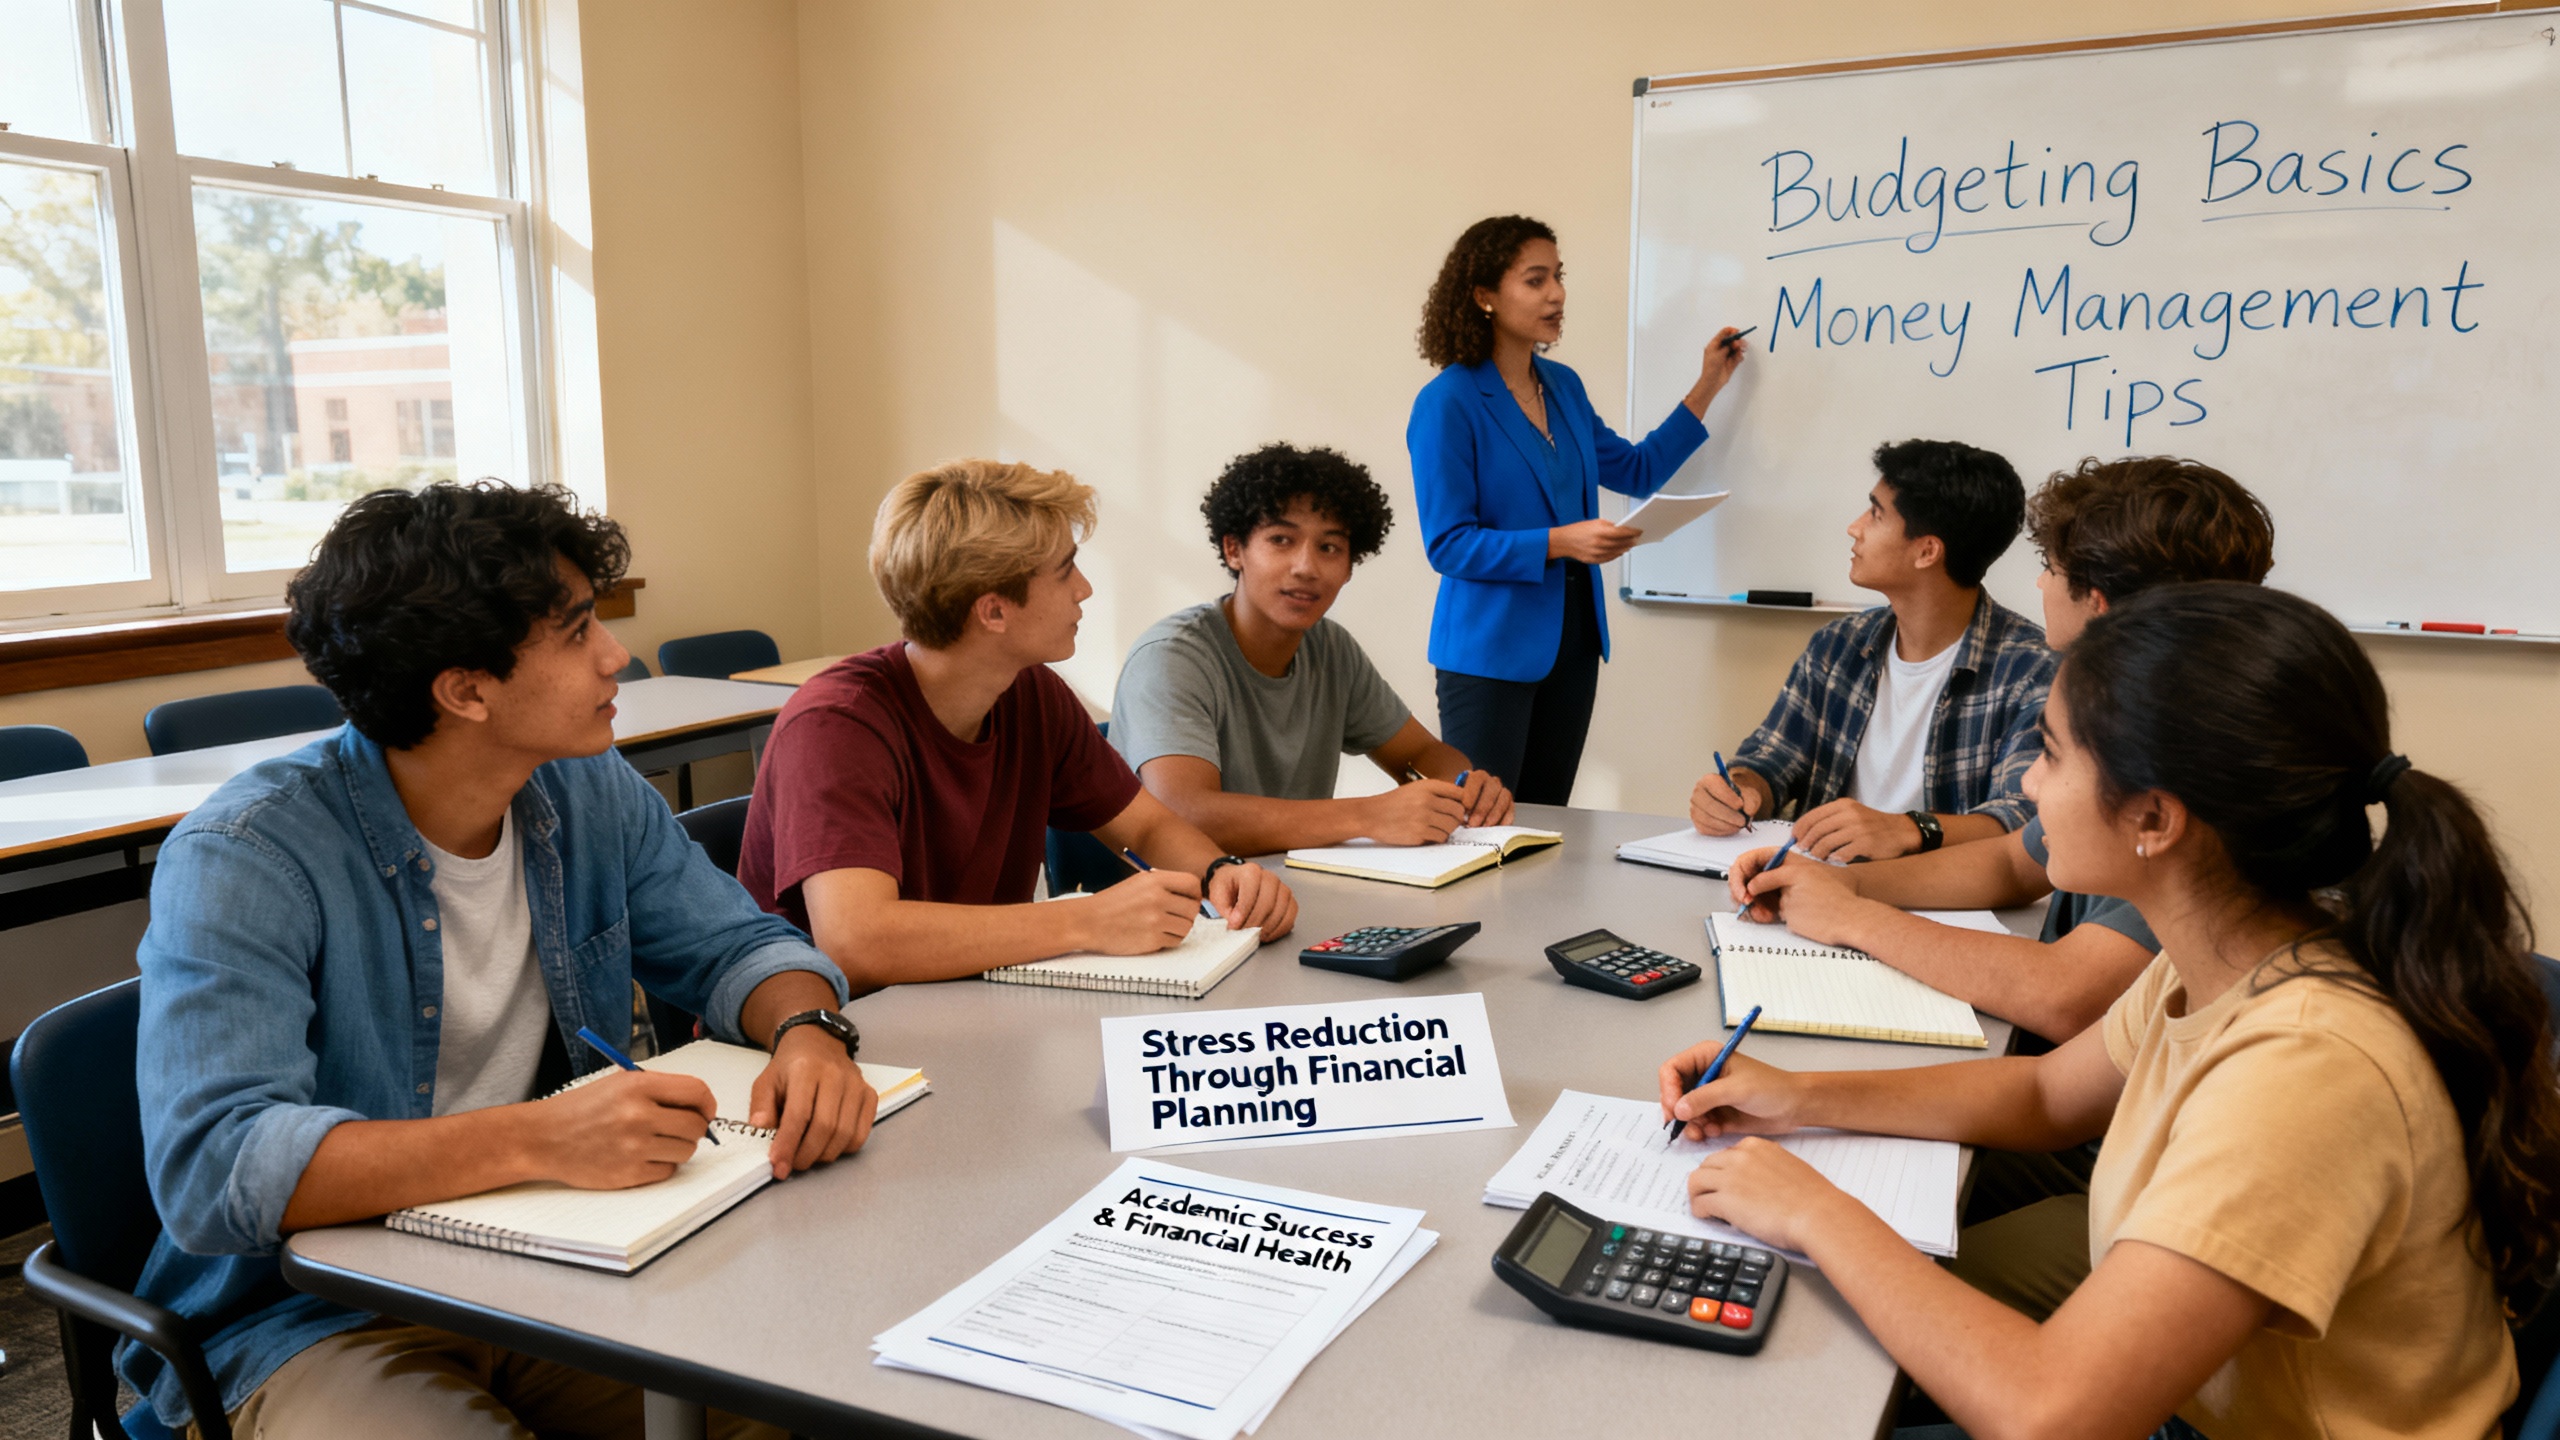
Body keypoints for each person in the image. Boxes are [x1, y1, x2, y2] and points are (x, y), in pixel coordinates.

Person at [1658, 583, 2559, 1439]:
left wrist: (1817, 1213)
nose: (2034, 791)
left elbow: (2054, 1415)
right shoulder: (2221, 956)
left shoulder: (2309, 1065)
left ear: (2155, 820)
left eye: (2050, 755)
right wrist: (1793, 1094)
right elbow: (2048, 1096)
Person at [129, 482, 873, 1440]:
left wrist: (810, 1030)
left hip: (549, 1259)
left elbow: (740, 944)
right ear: (465, 690)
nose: (616, 655)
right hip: (313, 1313)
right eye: (574, 634)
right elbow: (215, 1167)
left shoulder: (586, 785)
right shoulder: (248, 856)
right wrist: (542, 1139)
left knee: (823, 1400)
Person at [1728, 457, 2277, 1045]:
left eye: (2049, 567)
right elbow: (2013, 861)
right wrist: (1840, 885)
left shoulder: (2195, 768)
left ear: (2099, 604)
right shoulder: (2141, 718)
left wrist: (1854, 917)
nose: (2039, 583)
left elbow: (2063, 998)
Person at [738, 458, 1299, 991]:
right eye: (1065, 572)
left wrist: (1221, 872)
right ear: (994, 611)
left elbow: (1146, 829)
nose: (1084, 589)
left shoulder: (1028, 691)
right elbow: (856, 944)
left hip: (951, 1008)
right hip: (828, 1045)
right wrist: (1088, 921)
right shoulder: (836, 727)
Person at [1409, 213, 1747, 805]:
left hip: (1573, 642)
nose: (1557, 294)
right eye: (1535, 280)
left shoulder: (1563, 386)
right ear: (1484, 295)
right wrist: (1562, 542)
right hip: (1488, 654)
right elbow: (1449, 543)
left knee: (1547, 823)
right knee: (1484, 829)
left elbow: (1636, 469)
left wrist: (1709, 383)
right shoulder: (1448, 403)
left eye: (1558, 277)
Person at [1110, 442, 1515, 855]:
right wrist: (1369, 817)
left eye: (1329, 548)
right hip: (1177, 906)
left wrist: (1464, 788)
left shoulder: (1331, 649)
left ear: (1350, 567)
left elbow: (1422, 751)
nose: (1306, 567)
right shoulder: (1172, 658)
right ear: (1234, 550)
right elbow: (1183, 815)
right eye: (1281, 539)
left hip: (1291, 888)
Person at [1690, 439, 2051, 861]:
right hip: (1818, 884)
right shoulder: (1838, 644)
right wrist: (1739, 790)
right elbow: (1771, 759)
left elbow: (2022, 818)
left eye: (1876, 514)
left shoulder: (2031, 668)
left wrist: (1907, 829)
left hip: (1943, 902)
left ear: (1927, 551)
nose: (1855, 527)